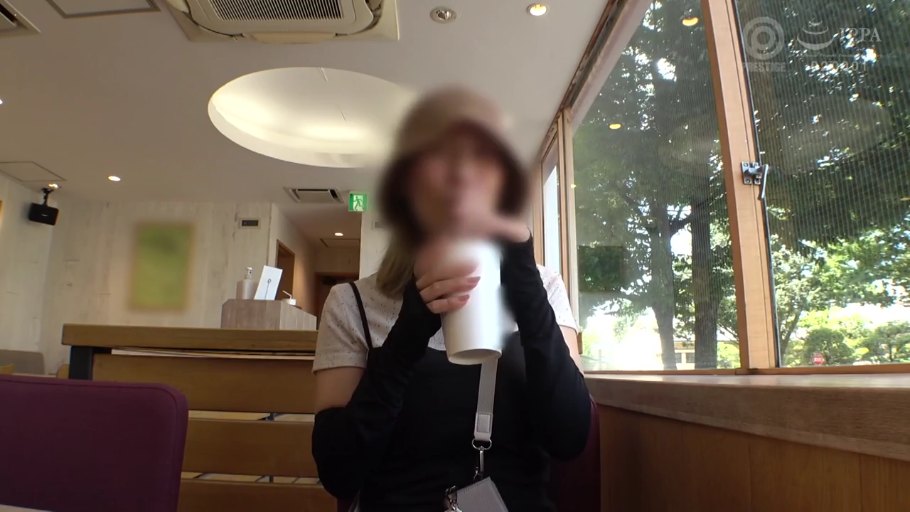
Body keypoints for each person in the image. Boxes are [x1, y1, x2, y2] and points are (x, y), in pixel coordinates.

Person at [311, 87, 592, 511]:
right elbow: (339, 472)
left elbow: (570, 438)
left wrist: (524, 282)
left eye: (483, 157)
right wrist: (409, 334)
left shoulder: (545, 287)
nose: (462, 174)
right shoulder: (351, 302)